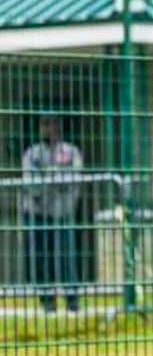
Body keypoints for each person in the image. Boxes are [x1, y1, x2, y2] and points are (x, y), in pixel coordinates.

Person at [22, 115, 83, 313]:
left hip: (62, 212)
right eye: (45, 124)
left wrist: (46, 175)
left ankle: (72, 300)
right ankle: (47, 301)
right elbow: (31, 185)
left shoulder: (71, 151)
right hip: (38, 213)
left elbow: (74, 178)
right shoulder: (32, 153)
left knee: (67, 256)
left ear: (60, 127)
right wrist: (56, 177)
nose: (50, 128)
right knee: (41, 257)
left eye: (54, 124)